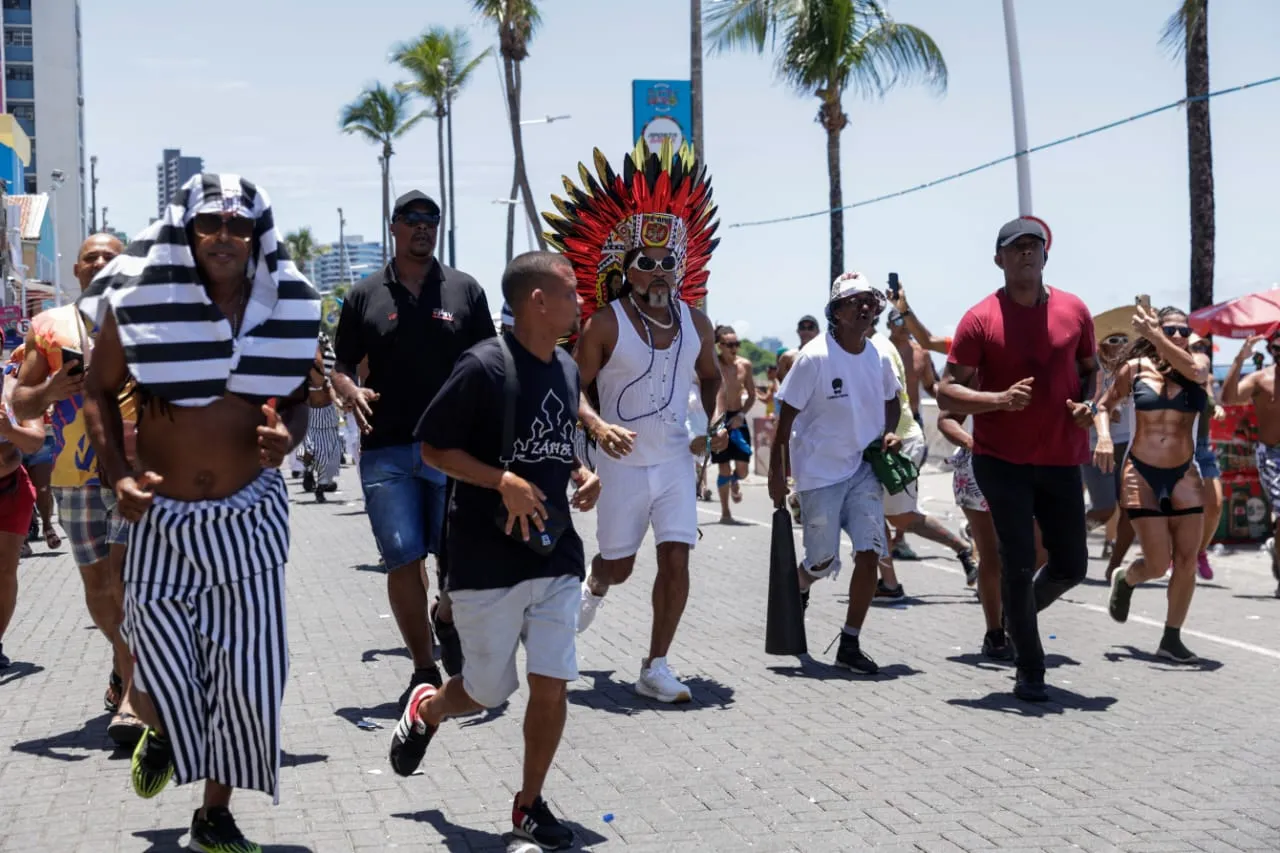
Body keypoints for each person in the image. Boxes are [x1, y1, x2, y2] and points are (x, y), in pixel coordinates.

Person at [79, 173, 320, 852]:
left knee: (250, 679)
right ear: (187, 234)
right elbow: (98, 389)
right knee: (154, 677)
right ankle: (160, 728)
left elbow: (300, 399)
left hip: (250, 519)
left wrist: (289, 438)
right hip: (160, 518)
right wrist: (117, 473)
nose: (224, 236)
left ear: (256, 236)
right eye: (210, 224)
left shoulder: (287, 307)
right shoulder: (141, 303)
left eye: (238, 226)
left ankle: (214, 813)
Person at [390, 252, 599, 851]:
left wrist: (582, 471)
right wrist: (500, 481)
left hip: (555, 551)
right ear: (538, 300)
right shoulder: (481, 366)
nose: (580, 302)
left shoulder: (564, 366)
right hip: (486, 556)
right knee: (486, 691)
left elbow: (554, 444)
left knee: (553, 679)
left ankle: (528, 805)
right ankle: (428, 709)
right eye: (571, 292)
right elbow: (433, 449)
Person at [545, 141, 721, 703]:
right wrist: (596, 429)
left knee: (676, 554)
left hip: (671, 461)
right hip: (620, 465)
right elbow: (570, 386)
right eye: (646, 262)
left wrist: (708, 428)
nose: (660, 270)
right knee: (618, 566)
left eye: (669, 260)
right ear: (626, 270)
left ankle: (656, 665)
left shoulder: (697, 322)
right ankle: (594, 587)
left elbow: (711, 377)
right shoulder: (603, 323)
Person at [332, 190, 496, 702]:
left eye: (432, 219)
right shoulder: (364, 295)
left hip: (453, 451)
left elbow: (491, 361)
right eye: (412, 219)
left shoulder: (465, 290)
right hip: (387, 451)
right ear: (394, 226)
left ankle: (445, 616)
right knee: (402, 559)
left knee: (457, 563)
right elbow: (338, 366)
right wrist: (350, 390)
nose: (423, 227)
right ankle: (424, 669)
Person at [937, 217, 1097, 702]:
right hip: (1000, 459)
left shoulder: (1075, 311)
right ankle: (1030, 667)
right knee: (1018, 563)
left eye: (1034, 246)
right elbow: (946, 392)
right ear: (999, 258)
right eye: (1016, 247)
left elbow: (1090, 372)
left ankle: (1015, 611)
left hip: (1061, 457)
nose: (1026, 253)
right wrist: (999, 400)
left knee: (1071, 564)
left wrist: (1088, 404)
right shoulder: (980, 318)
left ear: (1046, 255)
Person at [10, 232, 147, 746]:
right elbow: (20, 404)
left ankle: (134, 695)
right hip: (73, 476)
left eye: (112, 257)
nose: (101, 263)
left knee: (127, 580)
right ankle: (123, 662)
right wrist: (50, 390)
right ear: (77, 270)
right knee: (99, 588)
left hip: (136, 470)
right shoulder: (48, 327)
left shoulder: (149, 321)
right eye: (92, 257)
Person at [768, 272, 901, 673]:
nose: (865, 307)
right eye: (853, 301)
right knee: (822, 561)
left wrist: (890, 432)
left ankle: (849, 643)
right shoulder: (814, 358)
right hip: (819, 474)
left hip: (861, 468)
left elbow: (893, 400)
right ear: (836, 312)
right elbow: (784, 420)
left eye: (869, 301)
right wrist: (779, 474)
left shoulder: (878, 354)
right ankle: (802, 584)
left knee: (870, 552)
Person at [1094, 306, 1210, 662]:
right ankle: (1127, 579)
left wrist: (1157, 336)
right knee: (1158, 565)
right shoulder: (1136, 369)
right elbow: (1103, 406)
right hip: (1142, 472)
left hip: (1184, 472)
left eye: (1182, 331)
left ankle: (1171, 639)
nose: (1178, 336)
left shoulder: (1198, 363)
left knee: (1187, 560)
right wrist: (1101, 437)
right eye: (1170, 330)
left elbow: (1193, 370)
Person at [871, 317, 976, 598]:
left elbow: (933, 387)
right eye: (897, 321)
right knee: (874, 512)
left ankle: (964, 550)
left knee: (901, 516)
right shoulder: (873, 346)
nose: (901, 326)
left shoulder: (895, 351)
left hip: (901, 436)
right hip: (881, 437)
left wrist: (958, 400)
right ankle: (888, 581)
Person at [0, 331, 49, 668]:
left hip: (9, 491)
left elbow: (33, 443)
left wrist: (8, 429)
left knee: (4, 572)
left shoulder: (13, 388)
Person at [1221, 331, 1280, 598]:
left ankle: (1275, 549)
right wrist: (1239, 360)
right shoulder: (1261, 379)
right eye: (1276, 347)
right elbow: (1229, 398)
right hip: (1272, 457)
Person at [711, 324, 756, 523]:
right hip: (719, 418)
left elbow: (752, 395)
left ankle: (736, 481)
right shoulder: (713, 364)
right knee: (723, 467)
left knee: (743, 468)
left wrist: (741, 415)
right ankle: (725, 512)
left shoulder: (744, 365)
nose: (733, 348)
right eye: (729, 344)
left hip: (738, 417)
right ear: (719, 345)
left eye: (736, 343)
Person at [1189, 333, 1224, 579]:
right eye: (1195, 346)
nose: (1200, 350)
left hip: (1202, 446)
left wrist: (1217, 407)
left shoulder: (1208, 378)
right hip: (1178, 446)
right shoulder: (1170, 374)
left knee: (1215, 504)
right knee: (1183, 506)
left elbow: (1211, 404)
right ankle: (1177, 554)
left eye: (1203, 345)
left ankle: (1200, 552)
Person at [298, 332, 343, 502]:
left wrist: (338, 402)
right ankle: (310, 472)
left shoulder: (328, 362)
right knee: (310, 448)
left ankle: (322, 484)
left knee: (330, 453)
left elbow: (332, 385)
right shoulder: (302, 368)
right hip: (310, 415)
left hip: (327, 414)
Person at [776, 314, 820, 383]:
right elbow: (783, 386)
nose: (806, 331)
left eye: (810, 328)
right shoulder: (787, 357)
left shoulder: (826, 356)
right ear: (798, 331)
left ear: (817, 331)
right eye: (802, 328)